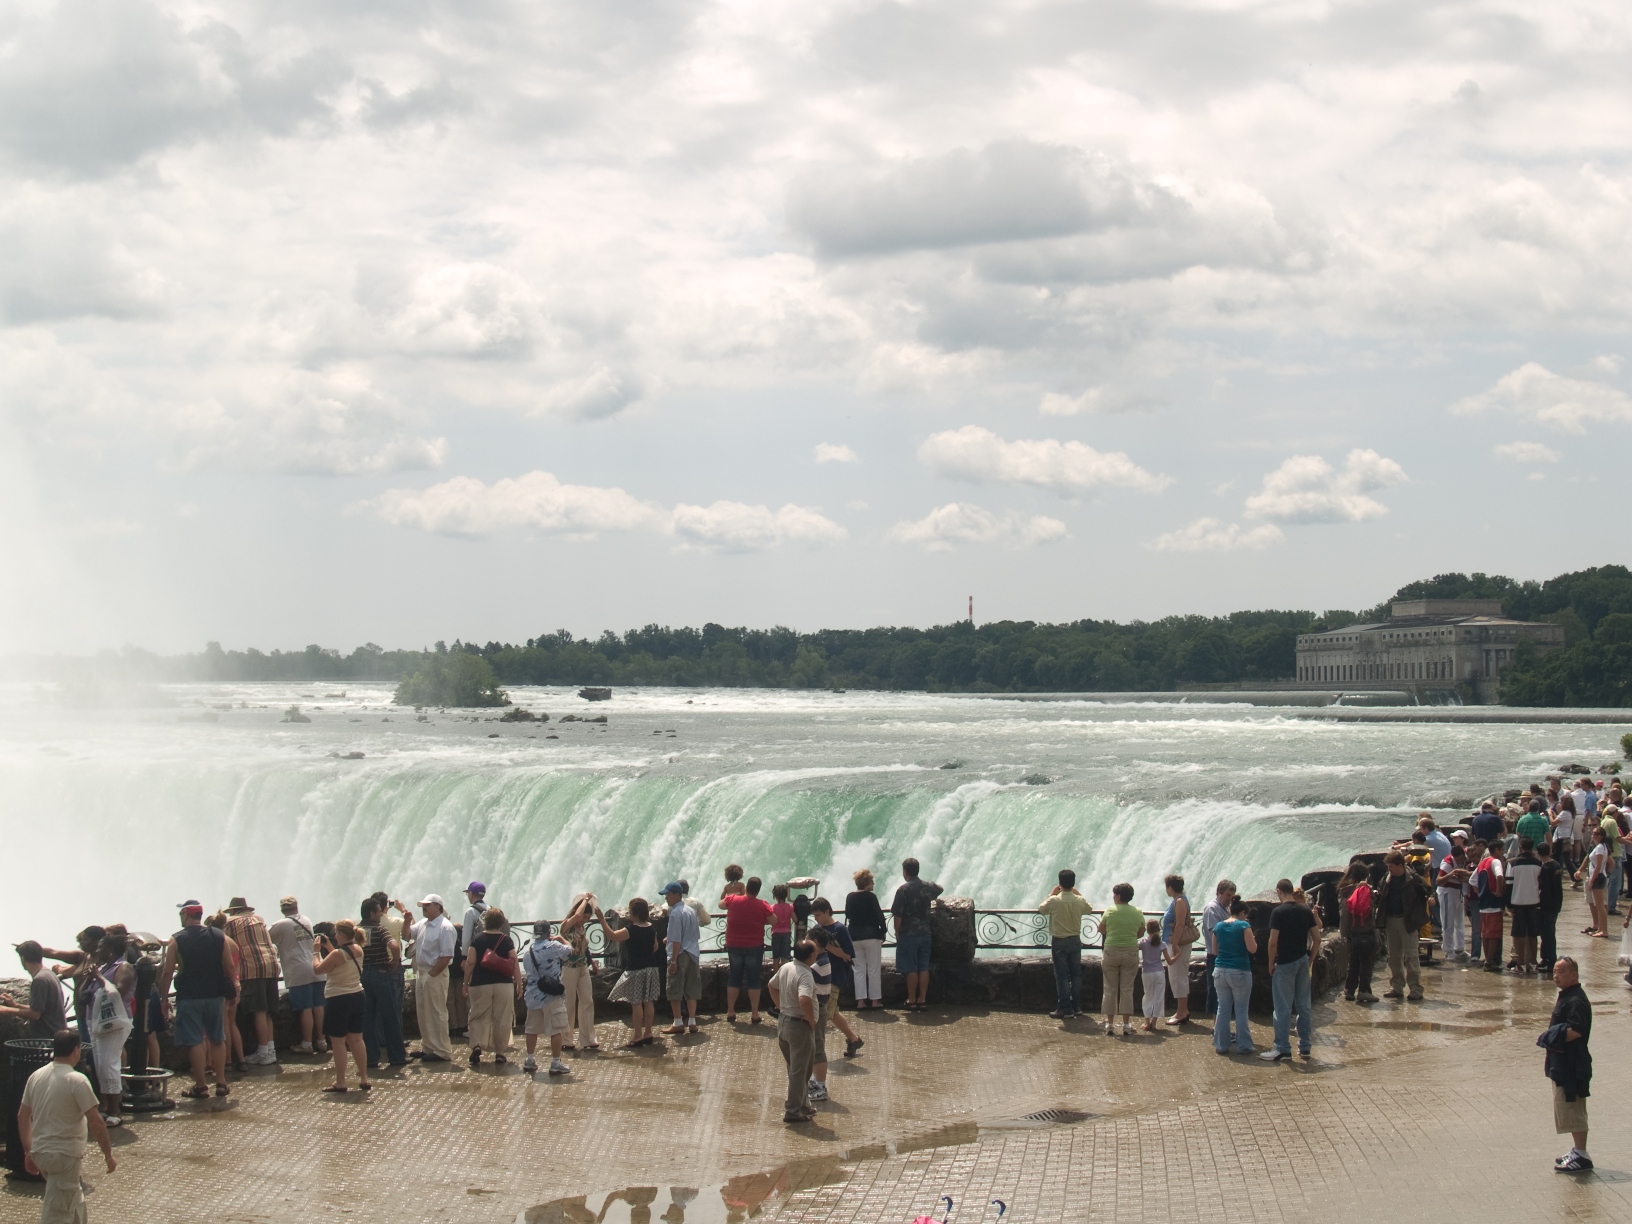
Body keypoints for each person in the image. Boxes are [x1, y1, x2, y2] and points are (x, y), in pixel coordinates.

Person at [17, 1030, 116, 1223]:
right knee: (58, 1213)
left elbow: (23, 1116)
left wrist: (28, 1151)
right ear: (76, 1050)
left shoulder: (36, 1076)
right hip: (64, 1157)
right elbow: (96, 1122)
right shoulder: (77, 1080)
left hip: (41, 1153)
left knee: (74, 1200)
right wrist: (108, 1155)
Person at [156, 901, 237, 1098]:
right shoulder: (218, 936)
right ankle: (221, 1082)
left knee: (194, 1040)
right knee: (217, 1038)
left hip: (189, 996)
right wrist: (233, 991)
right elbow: (229, 966)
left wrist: (164, 998)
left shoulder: (176, 939)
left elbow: (167, 972)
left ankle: (201, 1085)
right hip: (215, 995)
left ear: (185, 915)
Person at [1542, 957, 1593, 1172]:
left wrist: (1552, 1036)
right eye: (1554, 972)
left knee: (1573, 1107)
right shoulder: (1567, 996)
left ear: (1574, 975)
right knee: (1567, 1107)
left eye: (1561, 972)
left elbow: (1576, 1030)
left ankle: (1582, 1155)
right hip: (1563, 1062)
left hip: (1572, 1064)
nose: (1556, 976)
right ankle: (1577, 1150)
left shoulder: (1575, 1000)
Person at [311, 920, 369, 1092]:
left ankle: (341, 1081)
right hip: (357, 995)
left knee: (338, 1042)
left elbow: (318, 969)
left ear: (342, 934)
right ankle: (364, 1078)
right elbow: (341, 960)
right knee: (357, 1040)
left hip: (338, 999)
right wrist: (329, 947)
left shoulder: (337, 954)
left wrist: (316, 952)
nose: (335, 936)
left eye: (336, 933)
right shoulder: (358, 949)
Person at [1263, 878, 1317, 1062]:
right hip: (1302, 961)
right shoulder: (1305, 910)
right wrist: (1310, 959)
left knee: (1282, 1008)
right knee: (1303, 1006)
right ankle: (1305, 1046)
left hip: (1285, 963)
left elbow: (1272, 942)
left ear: (1279, 891)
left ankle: (1283, 1048)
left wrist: (1271, 963)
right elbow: (1317, 938)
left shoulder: (1278, 912)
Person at [222, 897, 281, 1067]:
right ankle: (270, 1050)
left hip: (252, 968)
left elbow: (224, 944)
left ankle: (262, 1052)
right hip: (271, 966)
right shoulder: (259, 919)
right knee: (268, 1011)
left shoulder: (231, 922)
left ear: (233, 911)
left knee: (258, 1011)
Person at [767, 940, 819, 1124]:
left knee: (795, 1068)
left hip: (784, 1023)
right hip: (799, 1026)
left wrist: (780, 1006)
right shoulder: (805, 974)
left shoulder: (786, 967)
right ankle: (793, 1110)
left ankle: (804, 1105)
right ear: (811, 956)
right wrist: (811, 1020)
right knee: (800, 1071)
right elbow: (804, 998)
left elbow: (771, 985)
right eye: (815, 951)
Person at [88, 931, 136, 1127]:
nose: (97, 950)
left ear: (109, 950)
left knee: (109, 1064)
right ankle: (107, 1107)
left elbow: (117, 991)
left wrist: (99, 977)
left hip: (115, 1023)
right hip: (98, 1022)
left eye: (100, 947)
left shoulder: (123, 967)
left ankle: (116, 1110)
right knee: (101, 1066)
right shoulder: (102, 967)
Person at [267, 896, 326, 1055]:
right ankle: (322, 1041)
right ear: (296, 907)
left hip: (298, 970)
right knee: (318, 1005)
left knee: (305, 1008)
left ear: (282, 909)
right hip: (316, 966)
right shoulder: (306, 920)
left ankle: (307, 1043)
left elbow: (265, 939)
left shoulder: (280, 925)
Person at [404, 893, 457, 1062]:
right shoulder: (423, 923)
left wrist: (433, 973)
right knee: (423, 1011)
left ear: (437, 907)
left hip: (435, 972)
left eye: (427, 905)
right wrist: (406, 921)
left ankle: (442, 1050)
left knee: (436, 1011)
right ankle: (428, 1046)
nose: (424, 908)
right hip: (423, 971)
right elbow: (406, 936)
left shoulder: (445, 927)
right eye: (423, 906)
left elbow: (447, 955)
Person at [605, 897, 661, 1047]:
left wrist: (602, 920)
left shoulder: (630, 930)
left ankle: (637, 1035)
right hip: (651, 967)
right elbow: (655, 947)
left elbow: (612, 936)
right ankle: (648, 1032)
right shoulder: (650, 928)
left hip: (635, 969)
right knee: (649, 1001)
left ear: (634, 913)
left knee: (636, 1003)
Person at [464, 907, 516, 1066]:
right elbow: (514, 962)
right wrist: (519, 984)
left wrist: (465, 982)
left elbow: (470, 962)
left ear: (485, 921)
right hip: (503, 984)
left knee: (478, 1015)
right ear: (501, 923)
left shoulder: (477, 939)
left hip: (480, 982)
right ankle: (500, 1053)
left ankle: (477, 1045)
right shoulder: (507, 940)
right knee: (502, 1018)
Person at [358, 897, 406, 1069]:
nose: (381, 914)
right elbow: (394, 946)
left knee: (367, 1019)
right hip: (381, 974)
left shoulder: (356, 930)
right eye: (379, 912)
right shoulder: (380, 929)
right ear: (372, 914)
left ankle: (371, 1059)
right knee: (390, 1017)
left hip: (362, 976)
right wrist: (395, 960)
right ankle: (397, 1057)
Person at [1038, 869, 1093, 1020]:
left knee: (1061, 976)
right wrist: (1078, 893)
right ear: (1073, 883)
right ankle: (1076, 1006)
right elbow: (1089, 909)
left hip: (1059, 941)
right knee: (1076, 974)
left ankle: (1065, 1009)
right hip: (1075, 940)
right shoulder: (1079, 900)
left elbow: (1041, 909)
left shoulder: (1054, 900)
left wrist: (1051, 894)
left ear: (1059, 883)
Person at [811, 898, 862, 1058]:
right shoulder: (816, 929)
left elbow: (848, 955)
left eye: (819, 915)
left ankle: (815, 1048)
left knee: (824, 1012)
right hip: (819, 975)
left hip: (835, 976)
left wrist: (826, 945)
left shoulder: (840, 929)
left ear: (827, 912)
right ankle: (853, 1039)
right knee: (832, 1011)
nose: (817, 919)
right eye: (814, 916)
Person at [890, 858, 943, 1012]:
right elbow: (940, 889)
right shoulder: (928, 886)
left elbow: (898, 915)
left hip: (908, 934)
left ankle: (912, 1000)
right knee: (923, 967)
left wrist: (897, 931)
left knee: (911, 968)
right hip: (925, 933)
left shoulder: (903, 890)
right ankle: (922, 999)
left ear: (905, 872)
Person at [521, 919, 571, 1075]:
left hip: (533, 996)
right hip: (550, 996)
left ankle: (530, 1060)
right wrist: (562, 938)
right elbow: (570, 952)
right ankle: (556, 1062)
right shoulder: (552, 946)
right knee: (556, 1029)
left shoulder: (528, 952)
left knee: (531, 1029)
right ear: (549, 932)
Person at [720, 876, 774, 1023]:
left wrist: (730, 892)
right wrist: (762, 919)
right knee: (754, 980)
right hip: (754, 946)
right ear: (758, 890)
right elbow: (774, 920)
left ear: (747, 887)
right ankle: (754, 1014)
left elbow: (720, 905)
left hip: (734, 945)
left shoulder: (732, 899)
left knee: (734, 977)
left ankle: (730, 1011)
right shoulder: (762, 904)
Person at [1375, 851, 1427, 1001]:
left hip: (1407, 921)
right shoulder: (1386, 879)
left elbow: (1427, 891)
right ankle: (1396, 987)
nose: (1389, 869)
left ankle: (1415, 989)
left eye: (1391, 866)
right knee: (1394, 956)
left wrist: (1428, 902)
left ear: (1400, 865)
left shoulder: (1413, 879)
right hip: (1391, 920)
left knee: (1411, 955)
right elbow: (1380, 894)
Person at [1211, 896, 1257, 1055]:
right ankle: (1244, 1046)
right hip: (1239, 971)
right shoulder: (1244, 926)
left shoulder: (1218, 926)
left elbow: (1214, 951)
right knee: (1241, 1010)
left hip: (1219, 971)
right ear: (1242, 912)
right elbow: (1252, 949)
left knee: (1223, 1009)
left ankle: (1221, 1045)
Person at [558, 893, 602, 1051]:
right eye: (584, 917)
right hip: (569, 968)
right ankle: (566, 1039)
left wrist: (592, 963)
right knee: (569, 1003)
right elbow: (576, 916)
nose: (584, 920)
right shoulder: (566, 926)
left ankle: (588, 1038)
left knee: (587, 1001)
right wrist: (585, 899)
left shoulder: (581, 928)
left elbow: (585, 947)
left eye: (587, 918)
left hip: (582, 967)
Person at [0, 941, 69, 1039]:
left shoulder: (39, 980)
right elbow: (40, 1009)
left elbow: (35, 1014)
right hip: (58, 1036)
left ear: (23, 958)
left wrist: (6, 1009)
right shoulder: (49, 974)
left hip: (48, 1038)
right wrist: (15, 1005)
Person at [1099, 882, 1142, 1036]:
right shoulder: (1137, 912)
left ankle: (1110, 1024)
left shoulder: (1110, 910)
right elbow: (1141, 932)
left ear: (1118, 896)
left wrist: (1113, 933)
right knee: (1127, 989)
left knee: (1110, 988)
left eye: (1114, 895)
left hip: (1111, 951)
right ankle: (1126, 1025)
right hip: (1130, 952)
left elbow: (1101, 929)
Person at [662, 882, 702, 1036]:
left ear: (677, 895)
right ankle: (692, 1021)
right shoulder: (691, 911)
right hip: (693, 953)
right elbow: (695, 934)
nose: (666, 898)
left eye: (668, 895)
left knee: (675, 988)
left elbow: (676, 939)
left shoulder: (675, 913)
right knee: (691, 989)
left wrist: (673, 961)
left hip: (679, 954)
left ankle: (678, 1022)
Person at [844, 869, 887, 1010]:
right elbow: (879, 916)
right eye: (872, 881)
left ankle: (860, 1002)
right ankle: (875, 1001)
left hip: (854, 936)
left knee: (858, 969)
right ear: (867, 883)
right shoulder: (871, 897)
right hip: (871, 935)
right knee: (873, 969)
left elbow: (848, 914)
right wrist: (883, 932)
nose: (873, 884)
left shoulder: (850, 897)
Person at [1337, 862, 1377, 1004]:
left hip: (1349, 932)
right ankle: (1364, 991)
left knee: (1353, 961)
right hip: (1364, 930)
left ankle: (1349, 989)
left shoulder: (1343, 890)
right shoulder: (1364, 890)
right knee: (1366, 962)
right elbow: (1369, 909)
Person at [1161, 874, 1195, 1024]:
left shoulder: (1180, 901)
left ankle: (1181, 1012)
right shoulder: (1178, 900)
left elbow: (1180, 924)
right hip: (1175, 943)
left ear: (1170, 887)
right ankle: (1182, 1010)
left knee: (1177, 977)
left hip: (1178, 944)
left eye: (1166, 887)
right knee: (1178, 976)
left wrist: (1175, 944)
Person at [1200, 879, 1236, 1021]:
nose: (1230, 899)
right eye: (1227, 895)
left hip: (1224, 955)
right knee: (1216, 992)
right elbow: (1215, 933)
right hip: (1215, 955)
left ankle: (1221, 1025)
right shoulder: (1212, 908)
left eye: (1232, 896)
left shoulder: (1226, 908)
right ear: (1219, 892)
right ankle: (1216, 1025)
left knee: (1224, 992)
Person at [1507, 837, 1544, 973]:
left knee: (1519, 935)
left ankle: (1520, 964)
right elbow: (1541, 884)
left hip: (1517, 902)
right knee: (1533, 934)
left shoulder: (1512, 863)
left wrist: (1508, 905)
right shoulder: (1539, 863)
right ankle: (1533, 963)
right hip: (1534, 902)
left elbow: (1508, 885)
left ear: (1520, 847)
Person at [1474, 839, 1509, 969]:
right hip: (1493, 904)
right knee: (1494, 934)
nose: (1503, 852)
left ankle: (1487, 959)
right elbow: (1499, 876)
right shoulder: (1495, 861)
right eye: (1502, 850)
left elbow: (1472, 881)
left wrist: (1481, 892)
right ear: (1497, 850)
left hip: (1483, 903)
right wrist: (1498, 891)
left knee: (1485, 934)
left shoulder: (1482, 862)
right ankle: (1489, 962)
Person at [1436, 837, 1471, 960]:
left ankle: (1459, 949)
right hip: (1447, 892)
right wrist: (1451, 874)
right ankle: (1448, 950)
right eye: (1458, 860)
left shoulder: (1466, 858)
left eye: (1462, 859)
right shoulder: (1447, 863)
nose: (1461, 861)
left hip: (1459, 892)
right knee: (1448, 922)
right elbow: (1438, 881)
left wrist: (1466, 895)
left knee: (1459, 921)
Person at [1537, 840, 1565, 973]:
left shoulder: (1546, 868)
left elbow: (1545, 889)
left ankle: (1551, 960)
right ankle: (1546, 957)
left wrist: (1540, 903)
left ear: (1538, 853)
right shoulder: (1556, 865)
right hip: (1556, 903)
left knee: (1547, 934)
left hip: (1547, 905)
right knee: (1547, 932)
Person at [1575, 827, 1609, 937]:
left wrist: (1592, 880)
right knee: (1598, 905)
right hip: (1598, 877)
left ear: (1601, 836)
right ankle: (1600, 929)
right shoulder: (1600, 847)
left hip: (1597, 878)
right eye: (1593, 833)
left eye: (1596, 834)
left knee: (1600, 905)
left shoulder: (1600, 848)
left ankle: (1604, 931)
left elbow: (1598, 866)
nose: (1593, 835)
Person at [1137, 920, 1165, 1033]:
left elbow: (1134, 948)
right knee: (1159, 997)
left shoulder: (1143, 942)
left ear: (1147, 930)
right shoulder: (1162, 943)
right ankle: (1154, 1022)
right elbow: (1169, 961)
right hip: (1159, 972)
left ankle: (1147, 1022)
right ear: (1158, 929)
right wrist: (1177, 954)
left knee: (1148, 996)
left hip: (1147, 972)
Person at [769, 884, 795, 967]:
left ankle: (776, 974)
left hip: (775, 933)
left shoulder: (772, 907)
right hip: (786, 933)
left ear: (775, 896)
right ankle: (785, 974)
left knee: (776, 957)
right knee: (785, 957)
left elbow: (770, 920)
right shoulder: (790, 907)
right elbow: (795, 919)